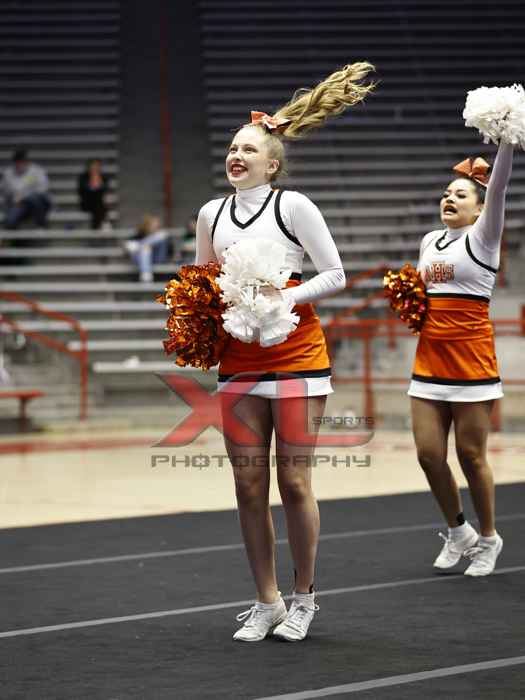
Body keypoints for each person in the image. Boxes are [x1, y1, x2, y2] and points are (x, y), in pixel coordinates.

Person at [195, 63, 375, 642]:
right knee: (247, 485)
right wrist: (193, 324)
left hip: (297, 356)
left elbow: (336, 274)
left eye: (248, 149)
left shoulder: (293, 206)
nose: (236, 155)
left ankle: (304, 597)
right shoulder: (211, 214)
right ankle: (265, 600)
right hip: (239, 360)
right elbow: (201, 284)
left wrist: (284, 297)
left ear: (272, 164)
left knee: (294, 483)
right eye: (232, 148)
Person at [409, 141, 515, 577]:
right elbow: (423, 295)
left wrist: (507, 139)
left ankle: (489, 537)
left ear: (479, 208)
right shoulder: (429, 241)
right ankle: (458, 531)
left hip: (471, 363)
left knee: (471, 456)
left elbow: (500, 186)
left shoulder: (484, 238)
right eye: (446, 194)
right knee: (428, 454)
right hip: (429, 361)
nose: (449, 199)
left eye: (461, 194)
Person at [2, 148, 51, 229]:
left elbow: (43, 188)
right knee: (10, 222)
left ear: (26, 162)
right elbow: (6, 192)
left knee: (35, 199)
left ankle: (41, 223)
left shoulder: (36, 171)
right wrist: (16, 199)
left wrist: (24, 197)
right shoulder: (8, 173)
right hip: (18, 205)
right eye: (17, 162)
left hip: (36, 203)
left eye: (22, 162)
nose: (20, 165)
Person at [124, 213, 170, 282]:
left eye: (156, 224)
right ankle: (146, 274)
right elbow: (127, 246)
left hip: (157, 259)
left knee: (161, 236)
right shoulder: (140, 234)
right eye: (152, 224)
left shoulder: (162, 236)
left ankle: (146, 274)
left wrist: (140, 246)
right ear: (147, 225)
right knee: (145, 249)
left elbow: (168, 251)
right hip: (140, 259)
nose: (155, 226)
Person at [77, 159, 109, 230]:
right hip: (87, 202)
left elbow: (105, 190)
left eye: (97, 166)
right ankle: (104, 223)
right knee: (99, 204)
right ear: (89, 167)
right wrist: (92, 187)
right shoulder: (83, 177)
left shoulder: (103, 177)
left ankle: (96, 227)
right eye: (93, 166)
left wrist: (98, 183)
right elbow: (81, 191)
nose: (95, 168)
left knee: (99, 204)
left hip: (99, 203)